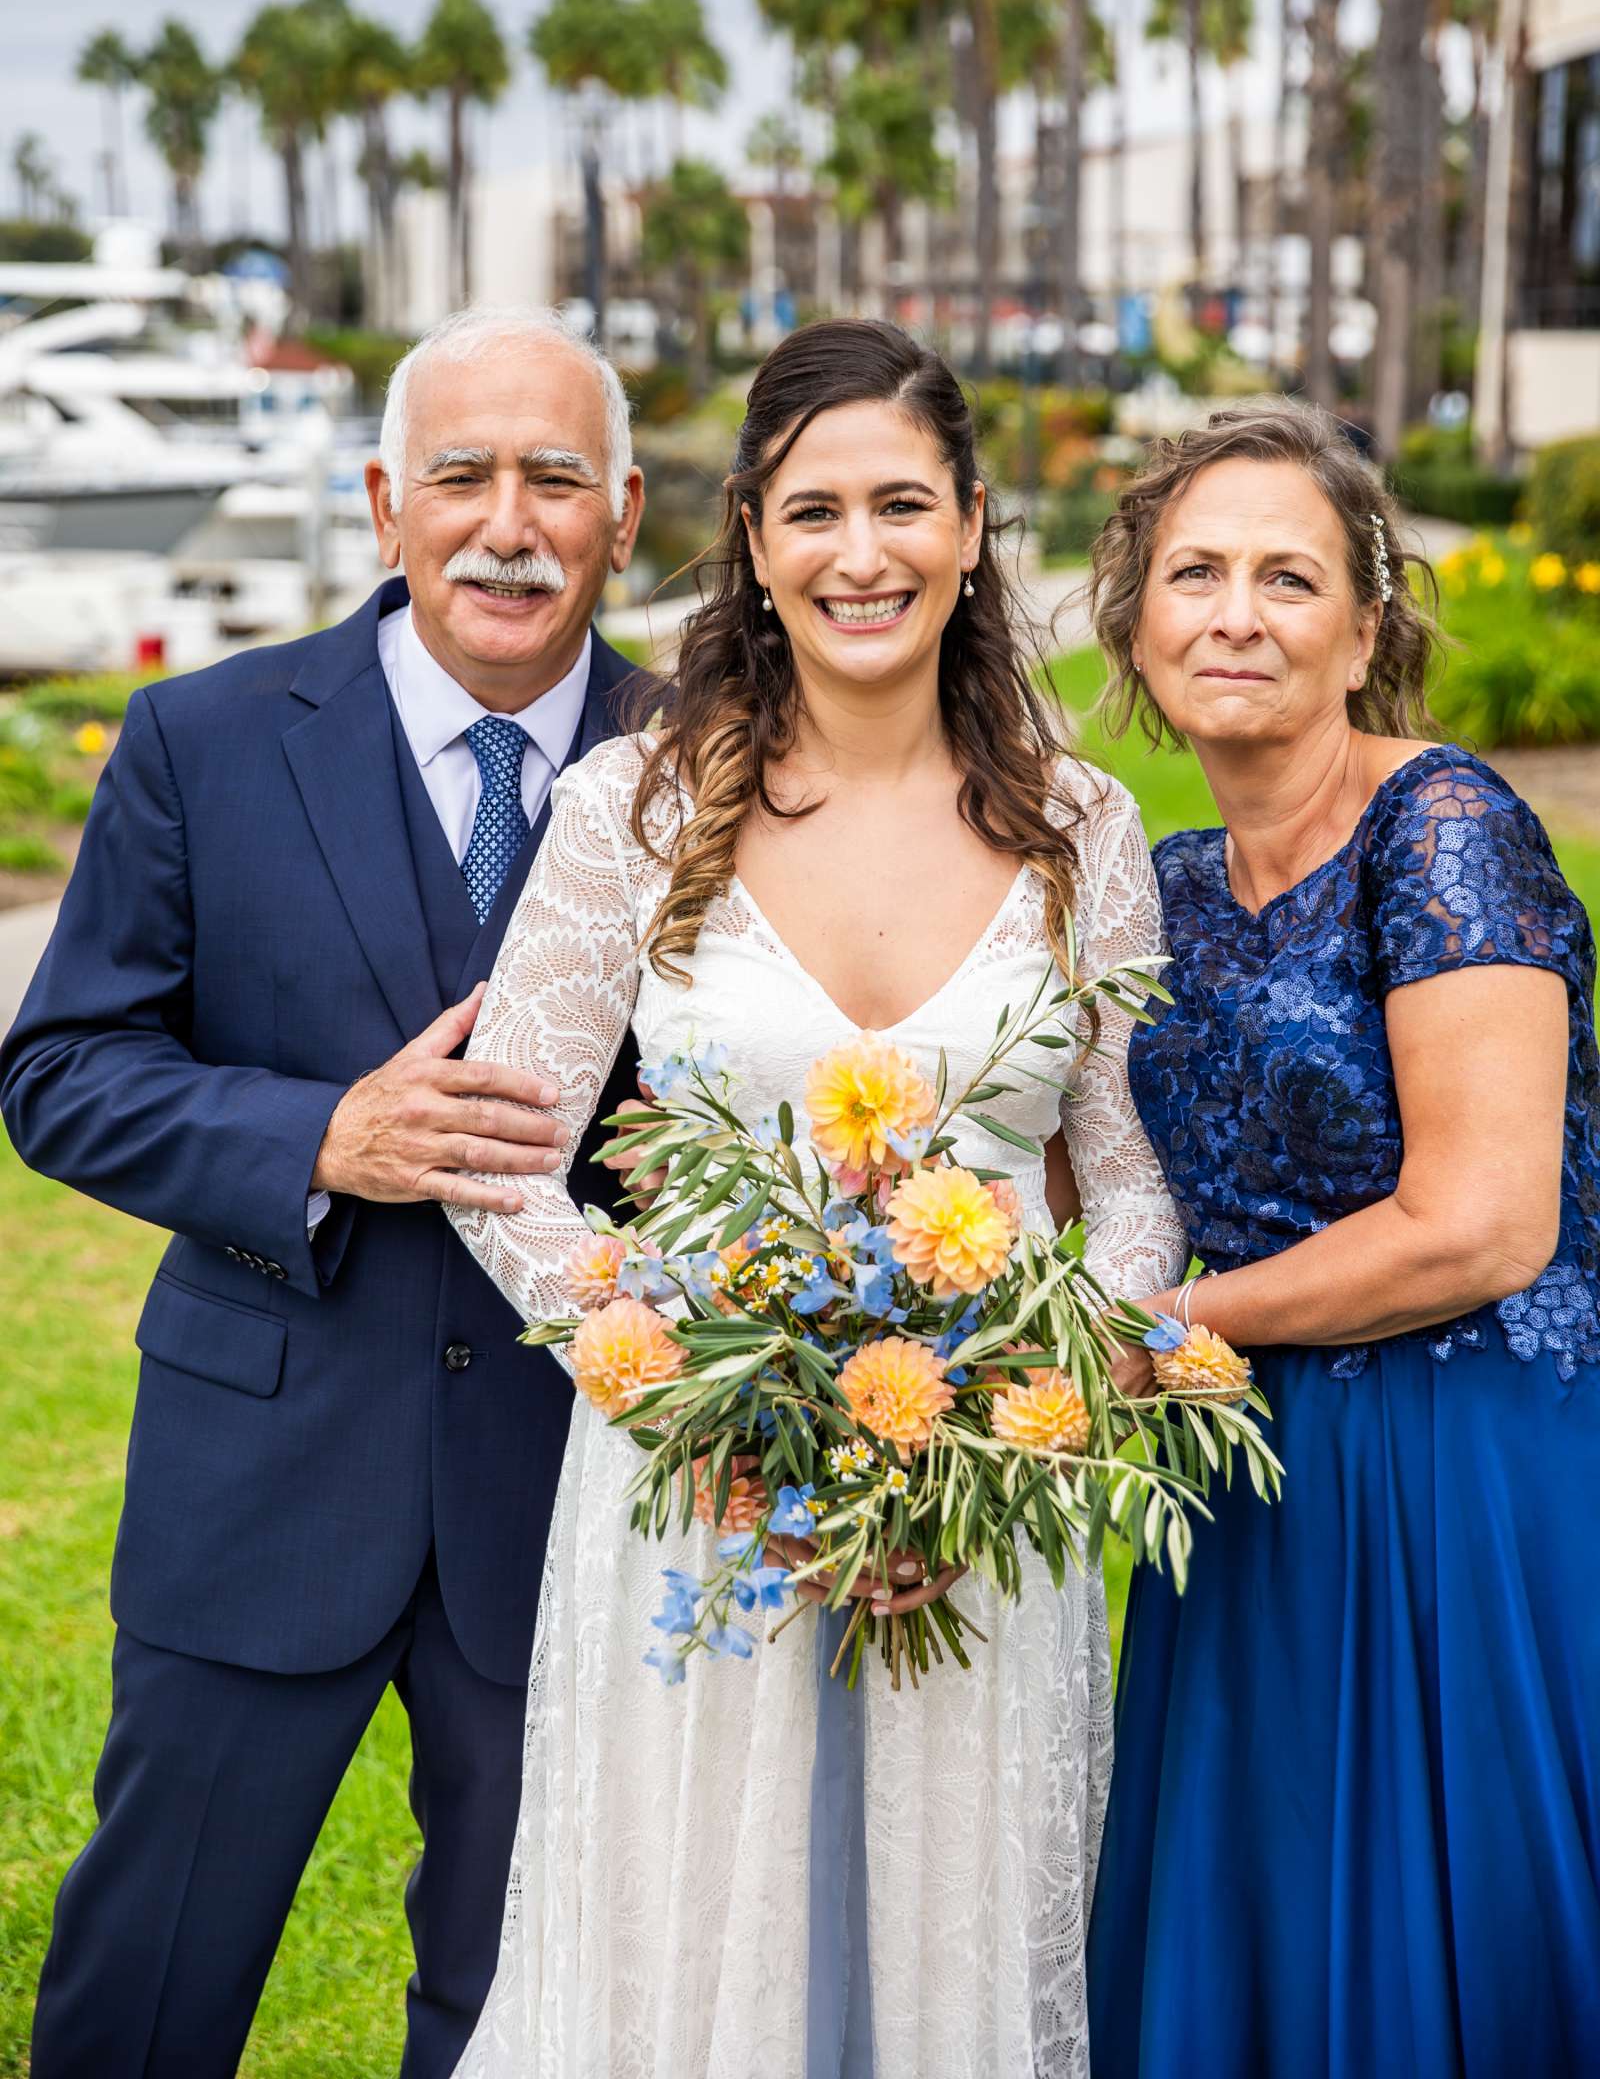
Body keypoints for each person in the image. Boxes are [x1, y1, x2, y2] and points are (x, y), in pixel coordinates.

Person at [442, 318, 1188, 2079]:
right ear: (756, 546)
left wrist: (1031, 1412)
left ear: (975, 523)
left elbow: (1135, 1186)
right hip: (692, 1499)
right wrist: (693, 1405)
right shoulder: (631, 805)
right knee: (693, 1954)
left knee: (945, 1953)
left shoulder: (1085, 830)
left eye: (905, 506)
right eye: (816, 513)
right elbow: (504, 1168)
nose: (865, 555)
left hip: (982, 1510)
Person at [0, 307, 645, 2078]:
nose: (505, 521)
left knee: (529, 1998)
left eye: (554, 477)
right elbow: (57, 1074)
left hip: (582, 1490)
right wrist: (315, 1142)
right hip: (259, 1483)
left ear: (626, 511)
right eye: (460, 475)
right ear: (383, 504)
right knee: (149, 1981)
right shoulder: (200, 742)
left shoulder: (728, 765)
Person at [1083, 399, 1600, 2078]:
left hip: (1454, 1460)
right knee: (1260, 1910)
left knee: (1437, 1918)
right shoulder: (1157, 880)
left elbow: (1483, 1225)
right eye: (1197, 573)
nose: (1236, 612)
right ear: (1138, 618)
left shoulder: (1443, 832)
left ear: (1365, 626)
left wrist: (1163, 1334)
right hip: (1241, 1470)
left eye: (1288, 577)